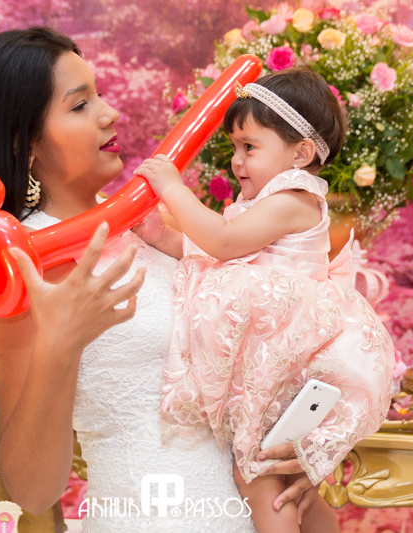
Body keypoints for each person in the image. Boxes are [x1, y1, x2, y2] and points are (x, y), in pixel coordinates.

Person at [0, 28, 330, 532]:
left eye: (99, 94)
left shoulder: (154, 223)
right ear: (23, 143)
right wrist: (60, 345)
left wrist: (299, 446)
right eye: (79, 105)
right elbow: (32, 489)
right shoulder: (22, 269)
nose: (109, 113)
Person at [133, 67, 394, 532]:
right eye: (234, 147)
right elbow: (209, 251)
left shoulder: (293, 199)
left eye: (249, 147)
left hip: (283, 361)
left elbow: (223, 241)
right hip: (272, 361)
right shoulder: (263, 202)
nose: (237, 161)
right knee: (282, 476)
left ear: (301, 153)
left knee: (256, 474)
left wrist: (173, 187)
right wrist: (161, 236)